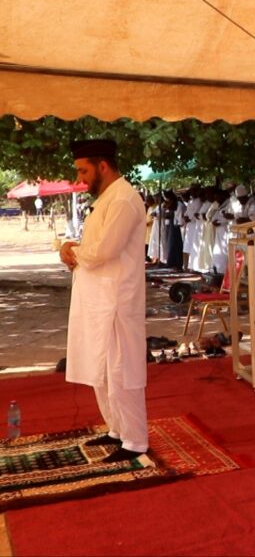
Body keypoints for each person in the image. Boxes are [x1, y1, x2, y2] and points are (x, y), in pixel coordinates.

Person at [59, 139, 149, 463]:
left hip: (117, 301)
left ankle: (136, 440)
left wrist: (72, 250)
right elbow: (93, 248)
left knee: (122, 371)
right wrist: (72, 249)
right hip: (101, 299)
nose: (81, 178)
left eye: (84, 170)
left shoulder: (123, 199)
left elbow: (102, 251)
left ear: (103, 166)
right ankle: (117, 430)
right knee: (104, 371)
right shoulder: (108, 198)